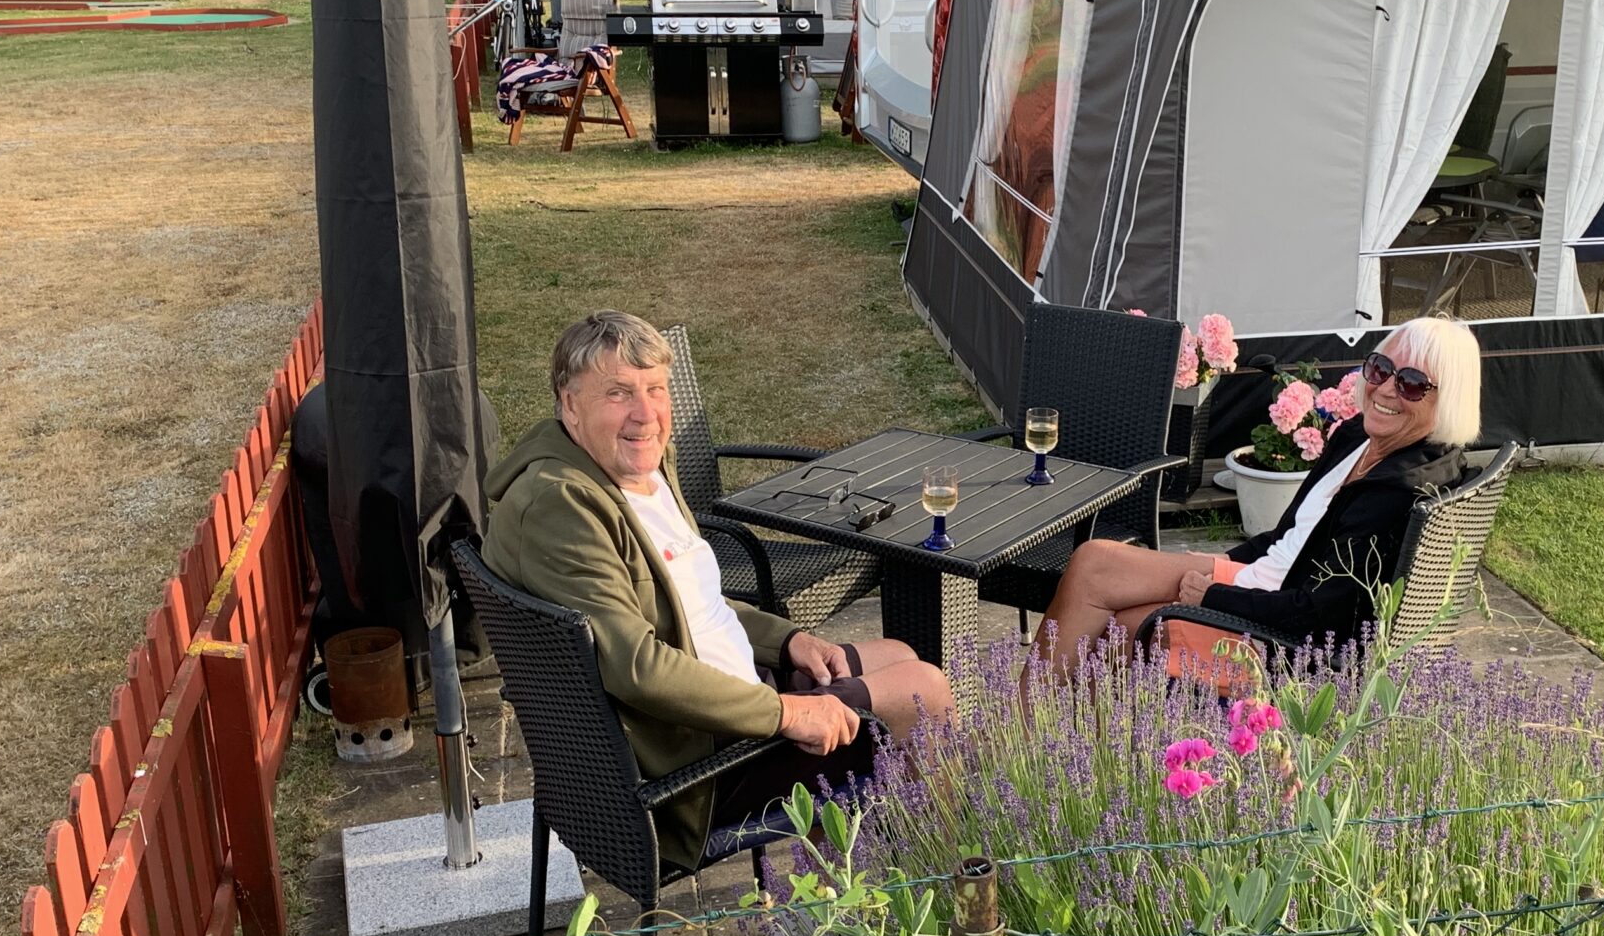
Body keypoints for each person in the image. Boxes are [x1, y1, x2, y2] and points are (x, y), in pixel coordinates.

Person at [483, 311, 952, 874]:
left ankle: (839, 883)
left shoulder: (635, 470)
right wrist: (786, 711)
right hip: (687, 772)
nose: (645, 415)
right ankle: (929, 882)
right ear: (570, 403)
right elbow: (638, 668)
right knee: (923, 690)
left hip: (720, 703)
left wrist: (789, 642)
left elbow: (686, 599)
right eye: (618, 393)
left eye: (656, 390)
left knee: (897, 654)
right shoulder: (562, 507)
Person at [1036, 315, 1482, 664]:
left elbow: (1319, 616)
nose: (1385, 389)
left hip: (1280, 639)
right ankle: (1030, 730)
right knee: (1094, 560)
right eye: (1381, 368)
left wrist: (1212, 596)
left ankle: (1041, 735)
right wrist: (1224, 562)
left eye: (1411, 384)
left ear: (1449, 399)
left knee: (1120, 626)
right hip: (1264, 578)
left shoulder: (1397, 492)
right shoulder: (1357, 438)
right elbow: (1290, 535)